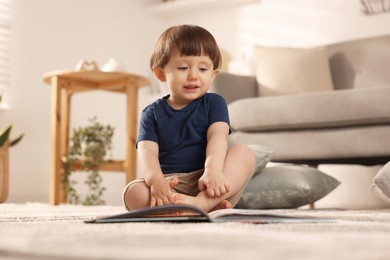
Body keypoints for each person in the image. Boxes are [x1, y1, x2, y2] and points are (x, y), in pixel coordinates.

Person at [123, 24, 255, 212]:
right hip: (171, 184)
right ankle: (197, 209)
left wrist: (213, 171)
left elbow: (218, 136)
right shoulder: (150, 113)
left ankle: (200, 205)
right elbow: (148, 152)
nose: (193, 75)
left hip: (210, 182)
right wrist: (156, 181)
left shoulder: (215, 103)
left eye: (202, 69)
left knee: (244, 153)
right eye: (183, 67)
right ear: (161, 73)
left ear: (213, 75)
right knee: (133, 193)